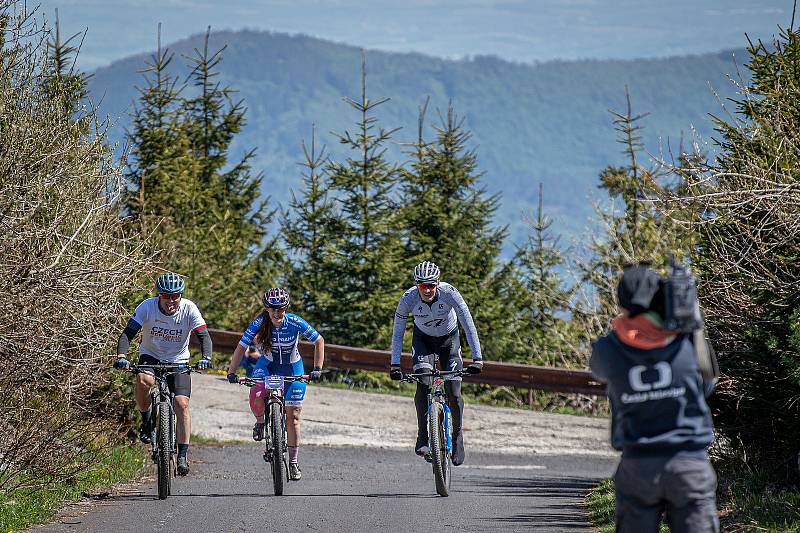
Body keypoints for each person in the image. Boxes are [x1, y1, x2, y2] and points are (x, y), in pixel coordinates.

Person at [589, 264, 718, 533]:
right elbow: (708, 384)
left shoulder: (608, 350)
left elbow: (599, 370)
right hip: (688, 462)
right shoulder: (687, 342)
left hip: (637, 465)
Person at [114, 272, 212, 476]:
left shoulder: (189, 308)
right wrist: (121, 356)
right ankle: (147, 420)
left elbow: (203, 336)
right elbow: (128, 333)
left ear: (181, 295)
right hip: (151, 356)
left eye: (175, 295)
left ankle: (183, 454)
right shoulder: (147, 307)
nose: (171, 300)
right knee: (143, 380)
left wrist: (206, 359)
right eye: (166, 296)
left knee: (182, 404)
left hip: (178, 360)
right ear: (159, 295)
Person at [389, 260, 484, 466]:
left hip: (449, 341)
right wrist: (395, 364)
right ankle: (423, 434)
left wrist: (477, 358)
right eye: (423, 286)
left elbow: (468, 324)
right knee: (423, 384)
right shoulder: (408, 298)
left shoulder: (450, 293)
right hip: (423, 341)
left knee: (454, 391)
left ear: (438, 283)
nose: (428, 290)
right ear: (417, 286)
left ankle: (457, 436)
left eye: (431, 285)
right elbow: (398, 332)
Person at [227, 287, 324, 481]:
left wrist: (317, 368)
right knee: (256, 393)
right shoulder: (260, 323)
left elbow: (319, 341)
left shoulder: (294, 321)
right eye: (273, 309)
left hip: (292, 368)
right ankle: (261, 422)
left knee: (294, 416)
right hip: (268, 365)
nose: (277, 313)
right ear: (267, 308)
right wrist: (231, 372)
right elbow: (241, 346)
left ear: (286, 308)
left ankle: (294, 463)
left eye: (281, 309)